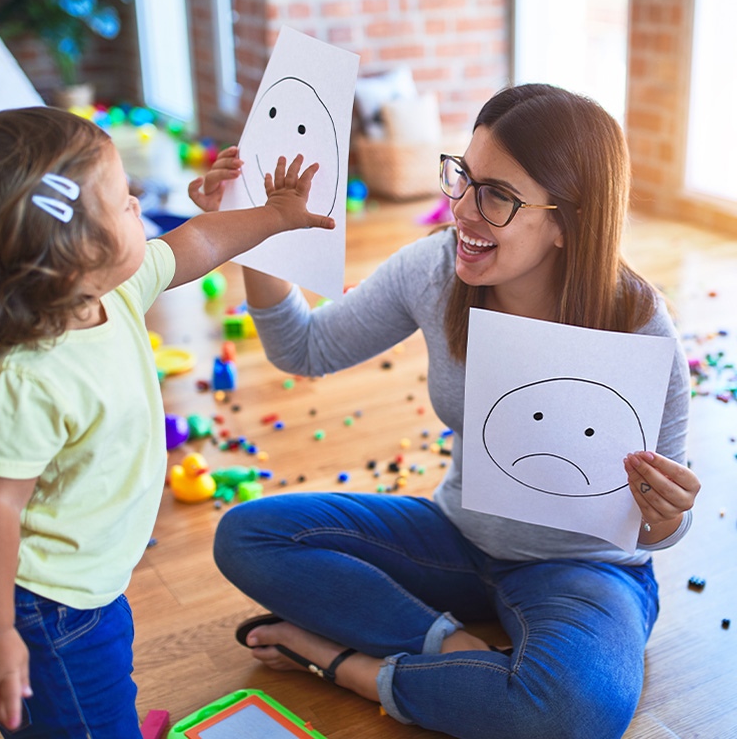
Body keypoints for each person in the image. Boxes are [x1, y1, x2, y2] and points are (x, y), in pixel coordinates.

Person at [198, 84, 701, 739]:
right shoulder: (434, 271)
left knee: (574, 713)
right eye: (462, 176)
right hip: (457, 538)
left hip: (586, 570)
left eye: (496, 195)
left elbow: (660, 530)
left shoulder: (639, 327)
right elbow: (305, 348)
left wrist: (670, 515)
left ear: (566, 221)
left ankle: (342, 664)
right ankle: (447, 650)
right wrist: (255, 230)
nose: (459, 207)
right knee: (247, 535)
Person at [0, 106, 334, 737]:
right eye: (121, 200)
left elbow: (198, 242)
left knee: (95, 709)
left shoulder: (109, 293)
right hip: (41, 608)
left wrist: (278, 215)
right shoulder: (21, 378)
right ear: (66, 256)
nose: (137, 199)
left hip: (90, 585)